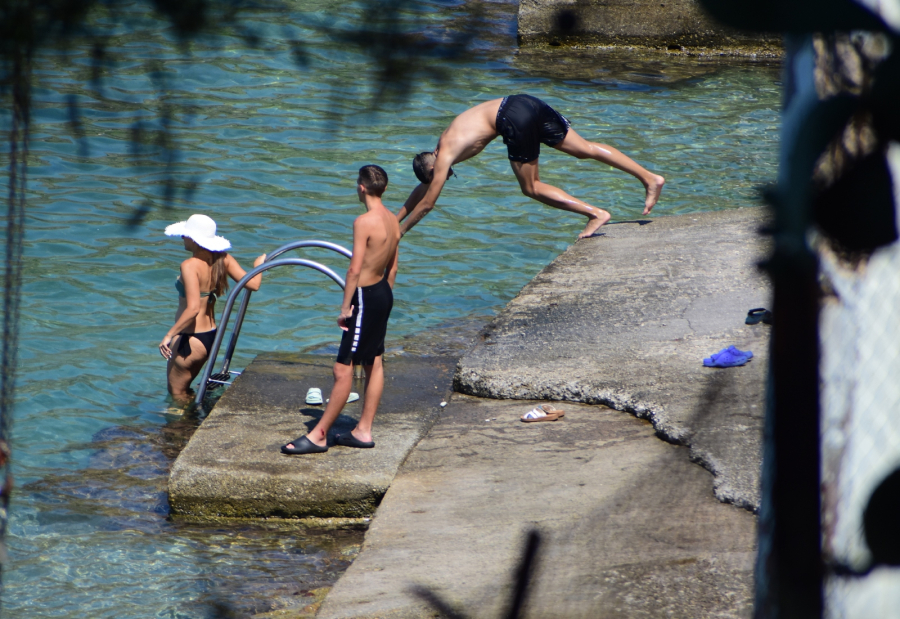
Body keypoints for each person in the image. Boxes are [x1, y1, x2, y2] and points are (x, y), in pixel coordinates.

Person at [397, 94, 666, 239]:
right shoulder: (445, 143)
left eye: (440, 177)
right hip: (523, 102)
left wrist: (401, 232)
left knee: (531, 187)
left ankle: (595, 213)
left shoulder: (444, 156)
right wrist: (394, 218)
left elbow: (428, 203)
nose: (445, 178)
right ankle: (649, 178)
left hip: (511, 119)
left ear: (433, 169)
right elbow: (422, 190)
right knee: (585, 149)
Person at [282, 165, 400, 455]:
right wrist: (383, 300)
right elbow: (393, 268)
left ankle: (319, 435)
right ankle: (363, 431)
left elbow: (354, 269)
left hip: (365, 297)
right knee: (374, 361)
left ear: (361, 187)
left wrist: (346, 308)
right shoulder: (393, 220)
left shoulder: (363, 222)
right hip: (383, 294)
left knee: (342, 368)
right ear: (384, 189)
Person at [159, 214, 265, 402]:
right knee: (185, 390)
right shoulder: (223, 258)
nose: (182, 237)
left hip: (189, 339)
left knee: (177, 394)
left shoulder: (189, 265)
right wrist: (258, 266)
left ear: (194, 239)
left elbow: (193, 309)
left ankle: (185, 421)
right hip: (209, 337)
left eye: (185, 234)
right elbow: (253, 284)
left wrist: (169, 335)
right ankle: (197, 412)